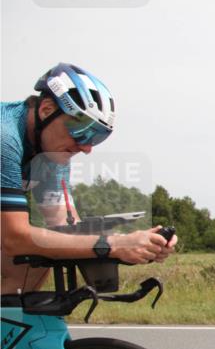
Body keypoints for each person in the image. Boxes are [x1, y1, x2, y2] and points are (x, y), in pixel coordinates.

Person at [1, 63, 176, 295]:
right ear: (46, 110)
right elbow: (16, 238)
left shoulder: (53, 155)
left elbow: (66, 232)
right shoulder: (5, 139)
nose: (86, 148)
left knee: (37, 260)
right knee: (28, 247)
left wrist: (139, 242)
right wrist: (113, 246)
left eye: (97, 137)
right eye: (81, 131)